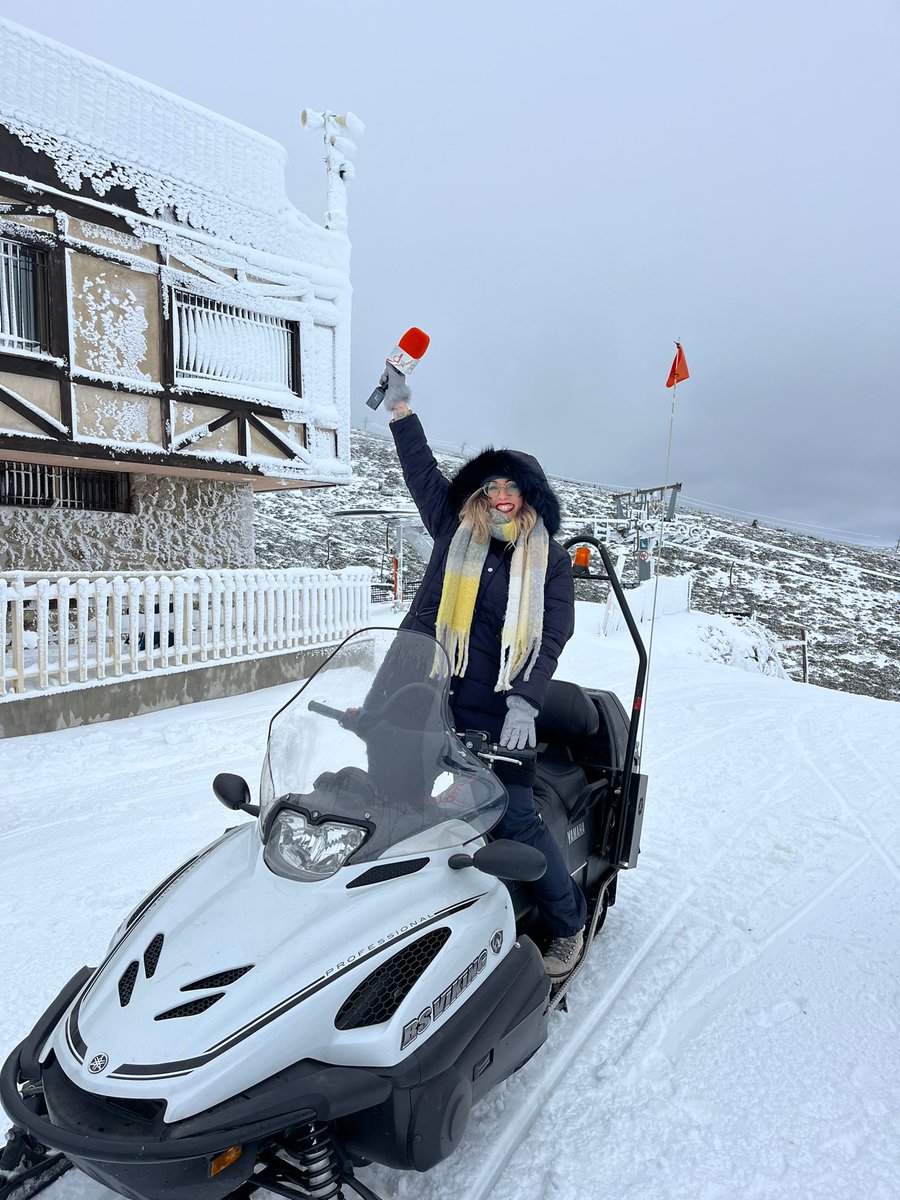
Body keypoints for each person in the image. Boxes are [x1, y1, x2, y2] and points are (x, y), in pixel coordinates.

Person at [381, 364, 586, 979]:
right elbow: (419, 470)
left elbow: (554, 631)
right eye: (492, 484)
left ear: (529, 495)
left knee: (513, 811)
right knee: (393, 794)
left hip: (498, 701)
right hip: (427, 682)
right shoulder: (452, 528)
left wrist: (526, 699)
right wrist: (401, 410)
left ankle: (567, 921)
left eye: (513, 487)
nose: (501, 495)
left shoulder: (545, 558)